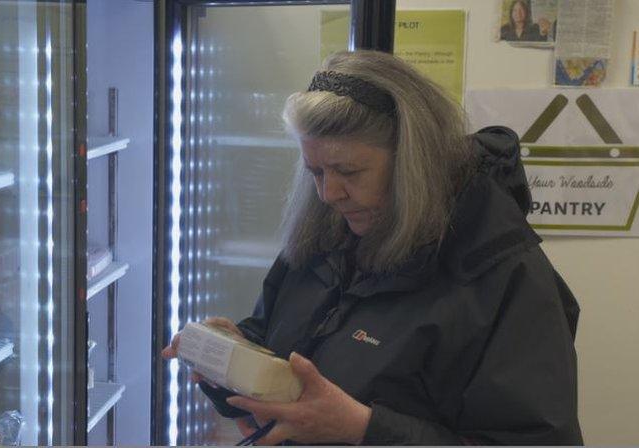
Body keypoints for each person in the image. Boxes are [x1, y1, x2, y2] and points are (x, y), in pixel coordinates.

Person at [162, 50, 583, 445]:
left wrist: (362, 429)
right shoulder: (327, 234)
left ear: (414, 161)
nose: (328, 193)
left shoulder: (506, 277)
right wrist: (238, 358)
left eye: (348, 171)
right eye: (315, 171)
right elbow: (287, 353)